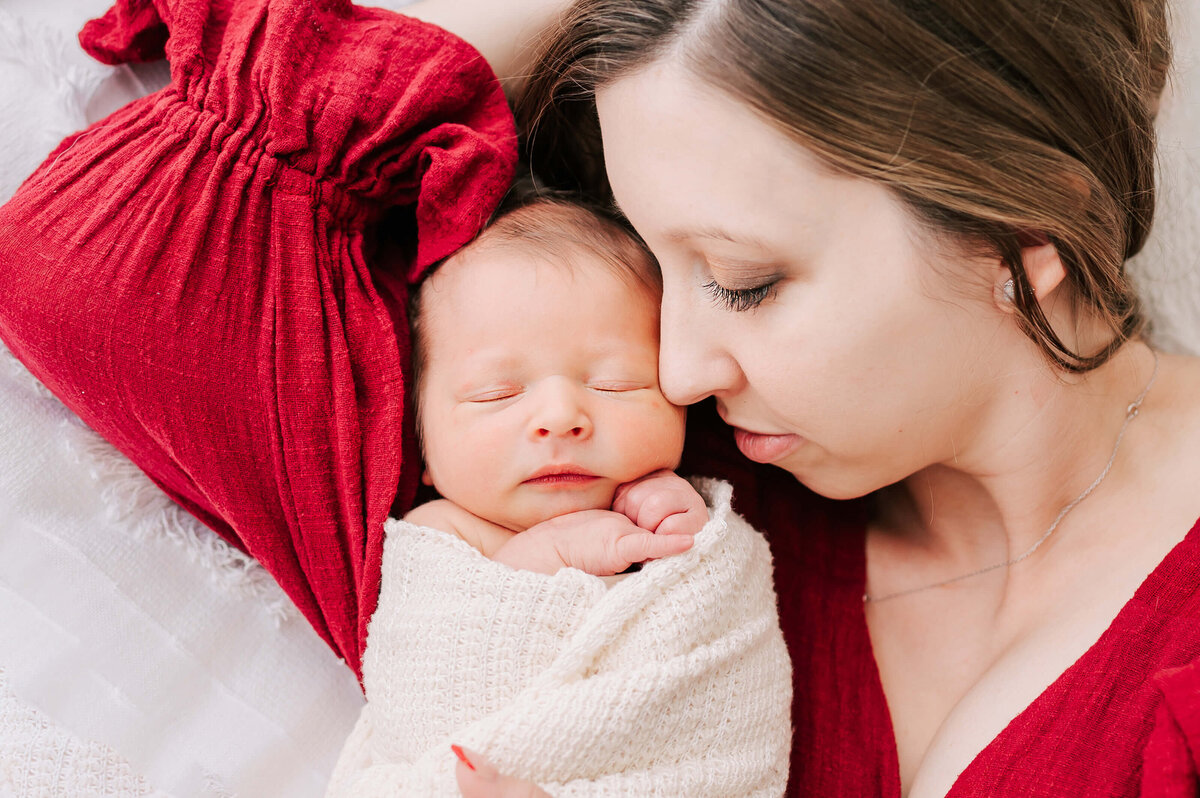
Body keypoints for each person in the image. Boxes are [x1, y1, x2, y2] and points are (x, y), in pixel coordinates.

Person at [400, 0, 1200, 796]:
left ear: (1025, 227)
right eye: (652, 267)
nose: (676, 374)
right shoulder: (658, 488)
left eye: (745, 282)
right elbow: (289, 139)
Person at [324, 194, 791, 796]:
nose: (561, 416)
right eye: (497, 393)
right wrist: (553, 553)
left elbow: (716, 668)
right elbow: (436, 686)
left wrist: (686, 531)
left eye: (615, 383)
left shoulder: (676, 510)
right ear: (423, 443)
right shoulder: (440, 534)